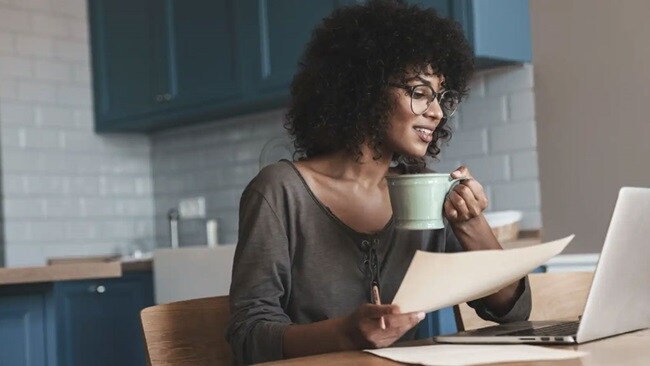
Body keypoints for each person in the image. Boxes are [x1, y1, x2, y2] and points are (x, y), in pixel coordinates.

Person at [226, 0, 531, 364]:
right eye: (419, 93)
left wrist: (470, 224)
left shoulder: (428, 191)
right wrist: (346, 334)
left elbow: (511, 311)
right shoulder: (280, 191)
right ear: (365, 89)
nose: (436, 112)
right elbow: (249, 336)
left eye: (441, 97)